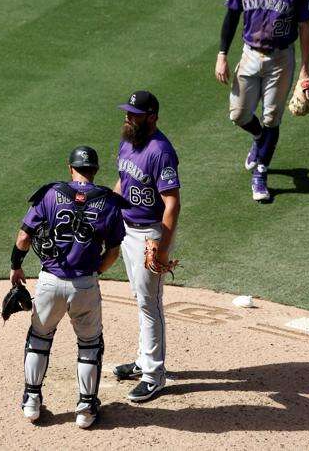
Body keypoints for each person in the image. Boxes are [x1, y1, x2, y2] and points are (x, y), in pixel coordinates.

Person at [9, 146, 126, 428]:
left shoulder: (50, 194)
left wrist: (16, 266)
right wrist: (95, 270)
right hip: (84, 285)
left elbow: (24, 238)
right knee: (89, 345)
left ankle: (32, 403)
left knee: (39, 339)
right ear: (96, 170)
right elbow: (113, 252)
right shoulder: (109, 202)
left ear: (70, 167)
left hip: (50, 282)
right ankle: (86, 410)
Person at [214, 0, 309, 202]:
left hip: (281, 58)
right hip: (250, 54)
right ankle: (259, 137)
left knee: (272, 117)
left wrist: (306, 68)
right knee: (238, 114)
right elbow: (231, 17)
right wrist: (222, 54)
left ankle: (261, 170)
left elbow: (305, 28)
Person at [112, 90, 181, 402]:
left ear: (152, 116)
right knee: (140, 297)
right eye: (128, 112)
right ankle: (143, 361)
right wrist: (108, 215)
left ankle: (154, 375)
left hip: (149, 233)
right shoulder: (128, 140)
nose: (128, 118)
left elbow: (172, 203)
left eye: (135, 114)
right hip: (126, 228)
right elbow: (122, 183)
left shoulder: (161, 151)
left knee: (149, 302)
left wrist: (162, 247)